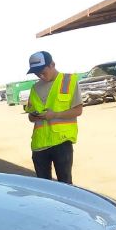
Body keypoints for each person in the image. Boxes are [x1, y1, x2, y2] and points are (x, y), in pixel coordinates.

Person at [24, 51, 83, 184]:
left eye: (42, 71)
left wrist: (55, 115)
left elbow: (78, 110)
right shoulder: (35, 88)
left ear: (52, 64)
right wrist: (34, 116)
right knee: (44, 187)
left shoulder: (69, 81)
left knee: (65, 184)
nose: (40, 75)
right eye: (36, 73)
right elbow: (30, 117)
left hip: (61, 143)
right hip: (39, 145)